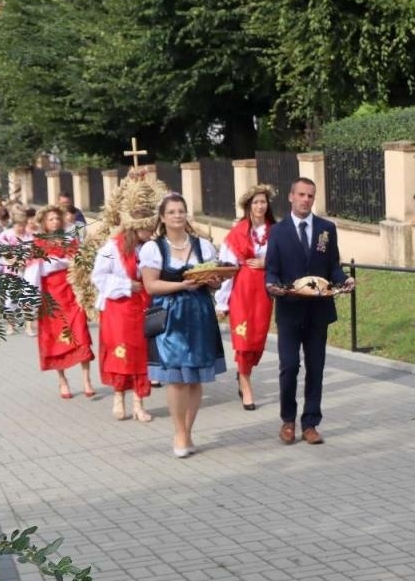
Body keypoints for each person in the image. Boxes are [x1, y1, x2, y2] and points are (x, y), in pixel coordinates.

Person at [265, 177, 354, 445]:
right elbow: (272, 269)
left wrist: (344, 280)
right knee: (289, 366)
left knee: (316, 367)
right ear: (291, 197)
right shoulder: (278, 231)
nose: (306, 200)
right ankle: (288, 421)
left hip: (318, 311)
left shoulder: (326, 229)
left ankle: (311, 423)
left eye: (310, 196)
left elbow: (333, 266)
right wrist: (272, 286)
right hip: (290, 310)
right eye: (301, 194)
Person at [141, 192, 226, 457]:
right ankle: (179, 432)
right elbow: (151, 285)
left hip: (199, 313)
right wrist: (182, 285)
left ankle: (188, 431)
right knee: (176, 378)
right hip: (171, 316)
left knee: (195, 378)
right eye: (172, 212)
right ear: (163, 217)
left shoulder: (203, 246)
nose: (177, 216)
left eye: (181, 211)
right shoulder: (154, 248)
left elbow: (215, 283)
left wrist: (214, 281)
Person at [91, 181, 160, 423]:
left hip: (142, 306)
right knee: (121, 353)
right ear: (136, 228)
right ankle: (119, 398)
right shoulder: (111, 247)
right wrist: (126, 285)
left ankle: (139, 404)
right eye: (147, 229)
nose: (150, 233)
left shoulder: (149, 248)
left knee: (141, 354)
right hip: (119, 308)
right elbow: (98, 276)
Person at [216, 184, 275, 410]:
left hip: (263, 291)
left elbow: (286, 259)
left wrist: (266, 263)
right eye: (256, 202)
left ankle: (245, 372)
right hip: (241, 290)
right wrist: (222, 301)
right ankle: (245, 382)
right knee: (243, 339)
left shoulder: (276, 231)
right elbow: (227, 268)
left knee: (257, 338)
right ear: (248, 206)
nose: (260, 206)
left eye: (263, 202)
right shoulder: (238, 232)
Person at [34, 206, 95, 400]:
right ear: (44, 223)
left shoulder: (70, 240)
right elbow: (33, 270)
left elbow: (81, 264)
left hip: (71, 293)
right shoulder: (38, 243)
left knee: (81, 333)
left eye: (57, 219)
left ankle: (87, 380)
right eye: (50, 219)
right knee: (55, 339)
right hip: (51, 296)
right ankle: (62, 380)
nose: (55, 222)